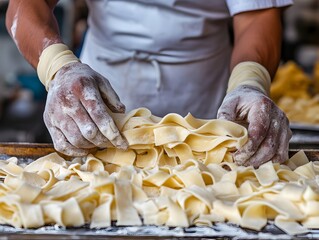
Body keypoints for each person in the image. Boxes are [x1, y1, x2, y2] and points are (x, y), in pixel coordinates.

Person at [6, 0, 293, 167]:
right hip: (99, 102)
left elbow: (258, 17)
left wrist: (249, 82)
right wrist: (59, 68)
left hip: (208, 111)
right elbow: (27, 5)